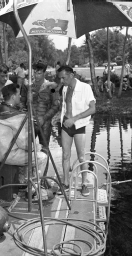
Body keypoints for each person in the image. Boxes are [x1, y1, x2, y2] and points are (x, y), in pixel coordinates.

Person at [0, 83, 47, 174]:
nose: (20, 97)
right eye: (19, 95)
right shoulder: (17, 116)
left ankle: (23, 179)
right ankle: (33, 185)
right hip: (7, 155)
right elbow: (24, 144)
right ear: (13, 96)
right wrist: (36, 147)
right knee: (42, 156)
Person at [57, 66, 96, 197]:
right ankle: (66, 183)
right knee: (65, 155)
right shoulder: (64, 88)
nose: (62, 80)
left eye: (64, 77)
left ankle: (84, 184)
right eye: (60, 78)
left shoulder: (85, 88)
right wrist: (59, 117)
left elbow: (92, 109)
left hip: (79, 126)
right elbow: (65, 106)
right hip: (65, 126)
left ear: (72, 75)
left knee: (81, 156)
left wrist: (74, 119)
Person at [20, 60, 60, 151]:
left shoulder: (51, 87)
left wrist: (44, 118)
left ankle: (44, 165)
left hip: (45, 123)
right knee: (26, 149)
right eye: (35, 72)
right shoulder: (27, 86)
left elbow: (56, 106)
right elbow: (22, 102)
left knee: (44, 149)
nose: (36, 75)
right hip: (30, 122)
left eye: (39, 73)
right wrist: (25, 115)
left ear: (44, 73)